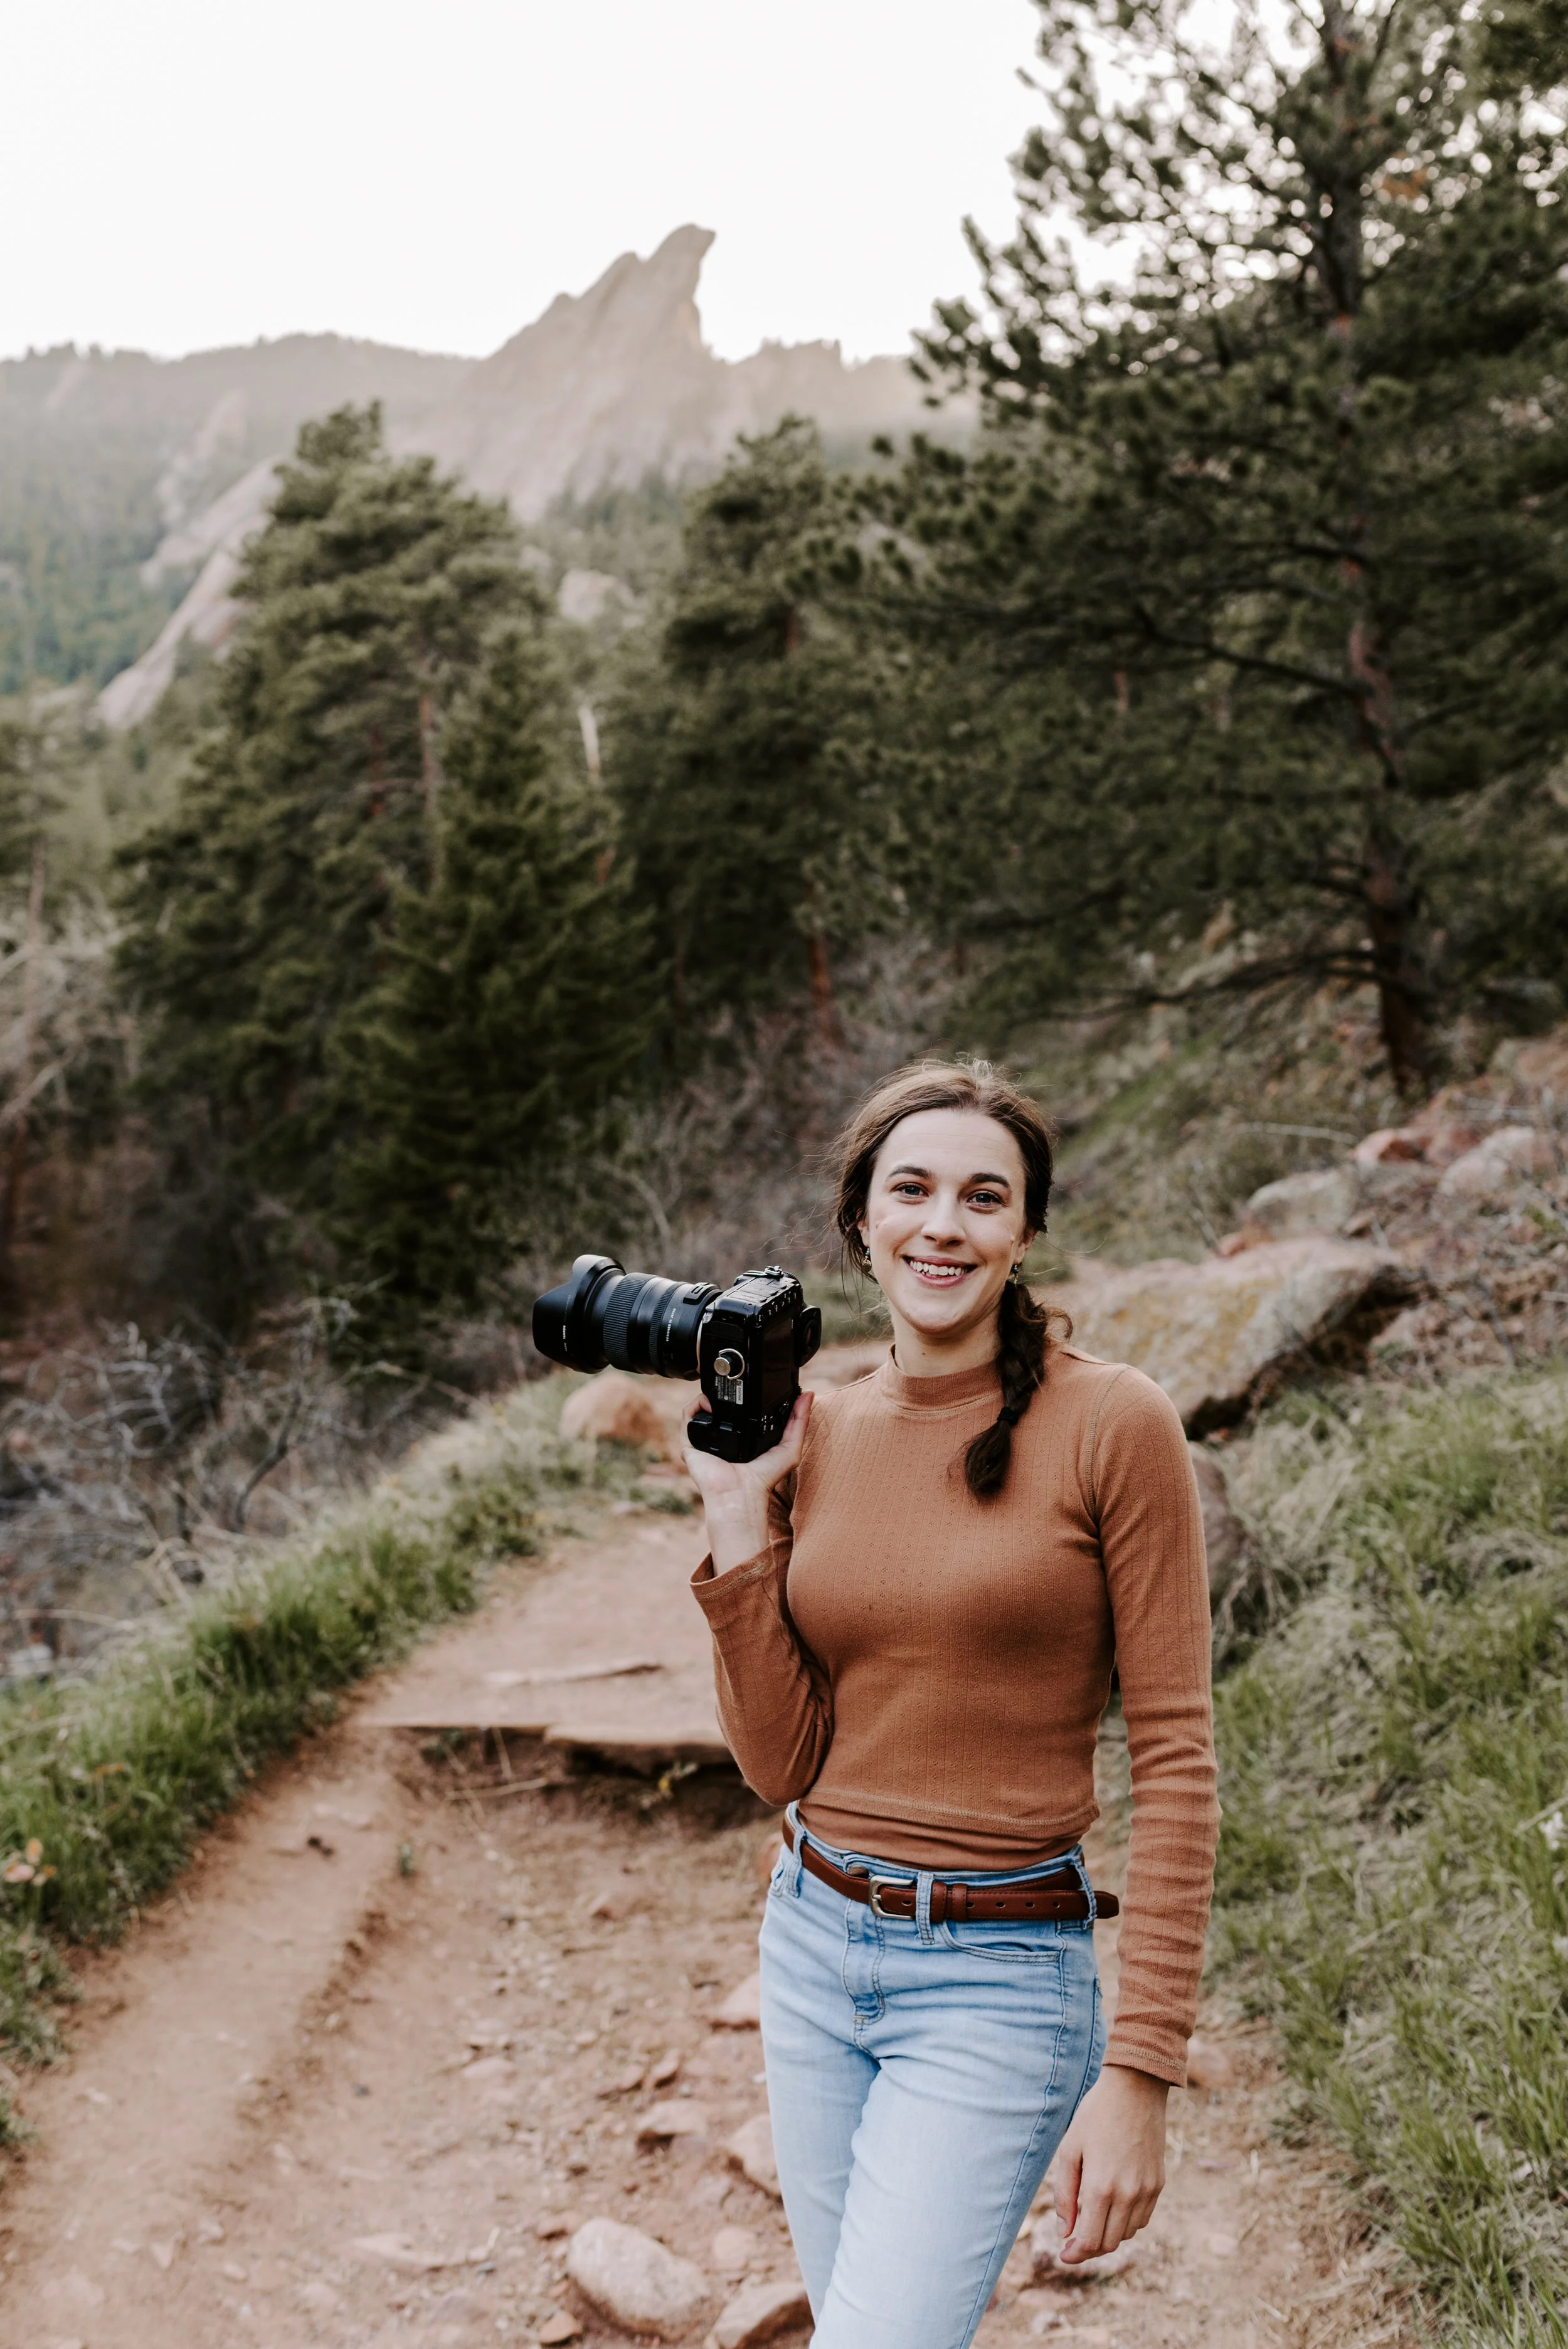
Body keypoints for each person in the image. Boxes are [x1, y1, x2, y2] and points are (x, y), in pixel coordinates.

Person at [683, 1060, 1219, 2349]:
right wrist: (732, 1516)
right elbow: (779, 1761)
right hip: (809, 1949)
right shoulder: (816, 1433)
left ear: (1023, 1230)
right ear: (858, 1221)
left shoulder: (1112, 1423)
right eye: (910, 1190)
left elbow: (1178, 1759)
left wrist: (1139, 2072)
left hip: (997, 1981)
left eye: (984, 1197)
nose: (943, 1224)